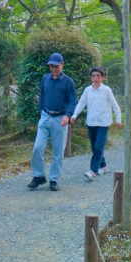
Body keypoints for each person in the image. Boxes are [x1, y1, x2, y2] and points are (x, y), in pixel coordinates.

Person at [27, 52, 77, 192]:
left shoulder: (68, 82)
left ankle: (54, 179)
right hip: (45, 116)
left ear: (62, 65)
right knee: (37, 146)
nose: (53, 69)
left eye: (56, 66)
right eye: (51, 66)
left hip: (60, 118)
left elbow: (73, 101)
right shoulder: (45, 78)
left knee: (58, 150)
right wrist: (41, 113)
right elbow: (42, 96)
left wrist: (67, 116)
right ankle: (38, 176)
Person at [71, 66, 122, 180]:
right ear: (91, 78)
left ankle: (93, 170)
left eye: (98, 76)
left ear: (102, 78)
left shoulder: (106, 90)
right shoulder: (87, 90)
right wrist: (74, 115)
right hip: (91, 122)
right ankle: (103, 165)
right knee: (94, 146)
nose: (95, 78)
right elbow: (81, 103)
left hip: (103, 123)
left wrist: (118, 119)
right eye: (93, 76)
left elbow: (115, 105)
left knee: (99, 146)